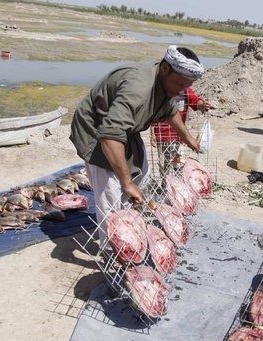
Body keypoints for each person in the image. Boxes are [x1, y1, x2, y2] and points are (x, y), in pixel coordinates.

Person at [69, 45, 203, 242]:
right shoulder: (138, 88)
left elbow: (170, 110)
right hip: (98, 130)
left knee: (142, 174)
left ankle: (133, 225)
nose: (181, 90)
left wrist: (187, 137)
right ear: (165, 68)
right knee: (111, 195)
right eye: (179, 84)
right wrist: (127, 183)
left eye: (186, 86)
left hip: (126, 130)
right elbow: (110, 135)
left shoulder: (166, 83)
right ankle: (115, 252)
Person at [150, 87, 210, 179]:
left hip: (179, 135)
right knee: (165, 163)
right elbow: (153, 113)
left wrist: (203, 104)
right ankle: (165, 185)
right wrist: (152, 133)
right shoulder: (162, 90)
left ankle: (177, 183)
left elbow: (195, 100)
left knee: (179, 161)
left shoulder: (185, 90)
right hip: (162, 135)